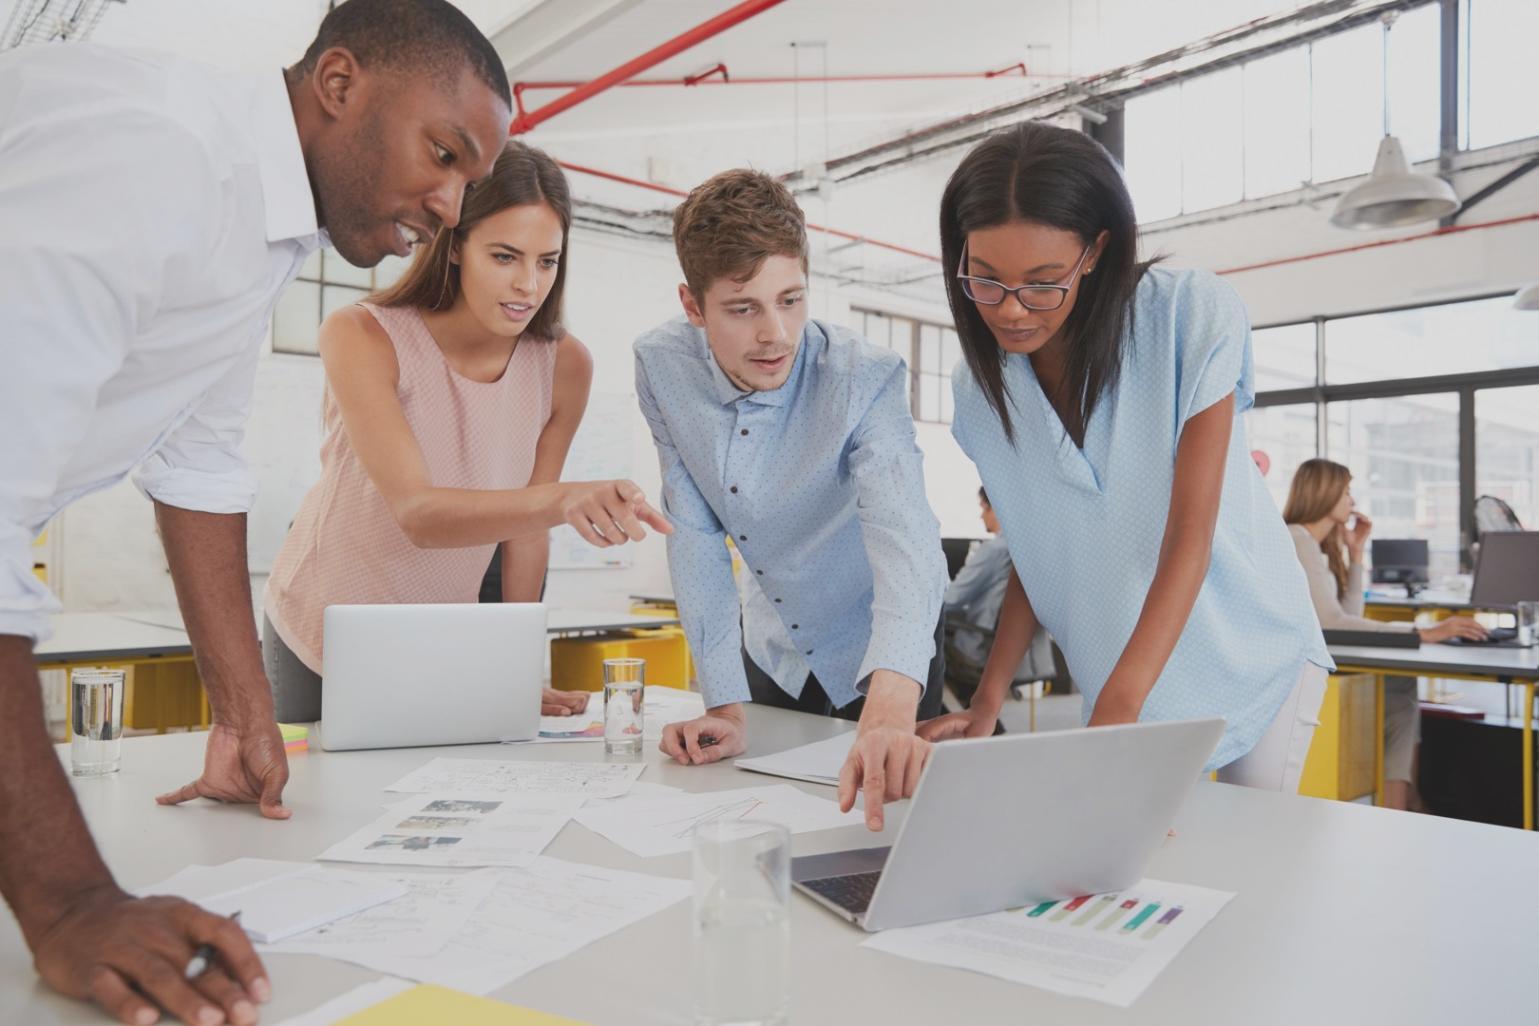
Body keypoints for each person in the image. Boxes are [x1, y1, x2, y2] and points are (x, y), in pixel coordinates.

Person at [0, 2, 512, 1022]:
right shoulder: (163, 158)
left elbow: (202, 467)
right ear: (338, 84)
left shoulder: (258, 224)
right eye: (442, 152)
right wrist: (71, 904)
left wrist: (243, 713)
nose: (452, 206)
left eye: (470, 180)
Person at [920, 122, 1333, 793]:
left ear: (1095, 250)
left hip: (1243, 650)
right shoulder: (979, 386)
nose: (1013, 310)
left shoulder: (1186, 315)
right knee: (1131, 878)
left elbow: (1189, 536)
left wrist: (1117, 709)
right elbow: (1034, 545)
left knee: (1249, 869)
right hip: (1120, 675)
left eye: (1043, 281)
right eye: (985, 280)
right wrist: (987, 701)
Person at [262, 141, 669, 722]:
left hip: (442, 637)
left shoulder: (564, 365)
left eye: (546, 261)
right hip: (321, 627)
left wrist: (518, 663)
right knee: (312, 801)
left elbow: (525, 530)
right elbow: (418, 513)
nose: (529, 285)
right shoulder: (362, 335)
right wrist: (563, 500)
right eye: (505, 257)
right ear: (454, 247)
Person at [635, 169, 948, 831]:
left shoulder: (864, 376)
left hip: (886, 645)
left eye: (791, 299)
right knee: (764, 825)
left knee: (891, 832)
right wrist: (721, 702)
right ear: (693, 306)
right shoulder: (660, 365)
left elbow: (903, 531)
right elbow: (691, 530)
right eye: (742, 308)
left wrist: (891, 705)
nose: (775, 333)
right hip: (773, 645)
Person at [1282, 458, 1486, 810]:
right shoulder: (1297, 539)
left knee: (1401, 687)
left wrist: (1357, 554)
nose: (1353, 501)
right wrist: (1424, 632)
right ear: (1324, 493)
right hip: (1300, 673)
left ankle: (1400, 801)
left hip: (1319, 662)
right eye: (1346, 491)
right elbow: (1333, 623)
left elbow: (1347, 616)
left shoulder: (1315, 545)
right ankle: (1401, 803)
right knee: (1400, 691)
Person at [943, 487, 1055, 707]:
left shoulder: (995, 550)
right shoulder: (1031, 549)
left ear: (998, 508)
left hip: (980, 647)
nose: (981, 515)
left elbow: (951, 600)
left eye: (984, 508)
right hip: (1021, 653)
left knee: (928, 649)